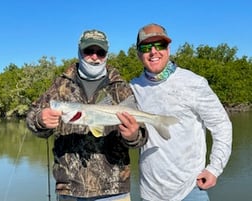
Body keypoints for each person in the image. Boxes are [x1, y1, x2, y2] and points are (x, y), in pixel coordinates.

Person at [26, 29, 147, 201]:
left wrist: (133, 135)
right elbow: (32, 118)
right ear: (79, 51)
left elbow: (141, 137)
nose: (95, 57)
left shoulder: (120, 87)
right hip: (70, 190)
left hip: (114, 191)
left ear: (106, 54)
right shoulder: (61, 85)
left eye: (100, 52)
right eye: (89, 51)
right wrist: (40, 120)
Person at [130, 23, 233, 201]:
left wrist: (214, 169)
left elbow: (221, 125)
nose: (153, 52)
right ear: (139, 53)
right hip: (150, 193)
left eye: (160, 45)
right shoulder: (133, 87)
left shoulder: (194, 83)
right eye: (146, 47)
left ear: (168, 49)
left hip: (190, 189)